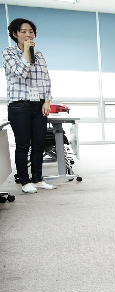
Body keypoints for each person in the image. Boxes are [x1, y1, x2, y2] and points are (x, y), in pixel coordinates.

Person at [3, 18, 55, 193]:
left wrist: (47, 100)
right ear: (14, 34)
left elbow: (45, 79)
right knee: (23, 145)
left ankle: (38, 179)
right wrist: (26, 50)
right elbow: (20, 72)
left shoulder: (39, 55)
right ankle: (25, 182)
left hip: (38, 104)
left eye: (31, 31)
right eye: (24, 31)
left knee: (39, 144)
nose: (28, 34)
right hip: (19, 106)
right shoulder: (8, 53)